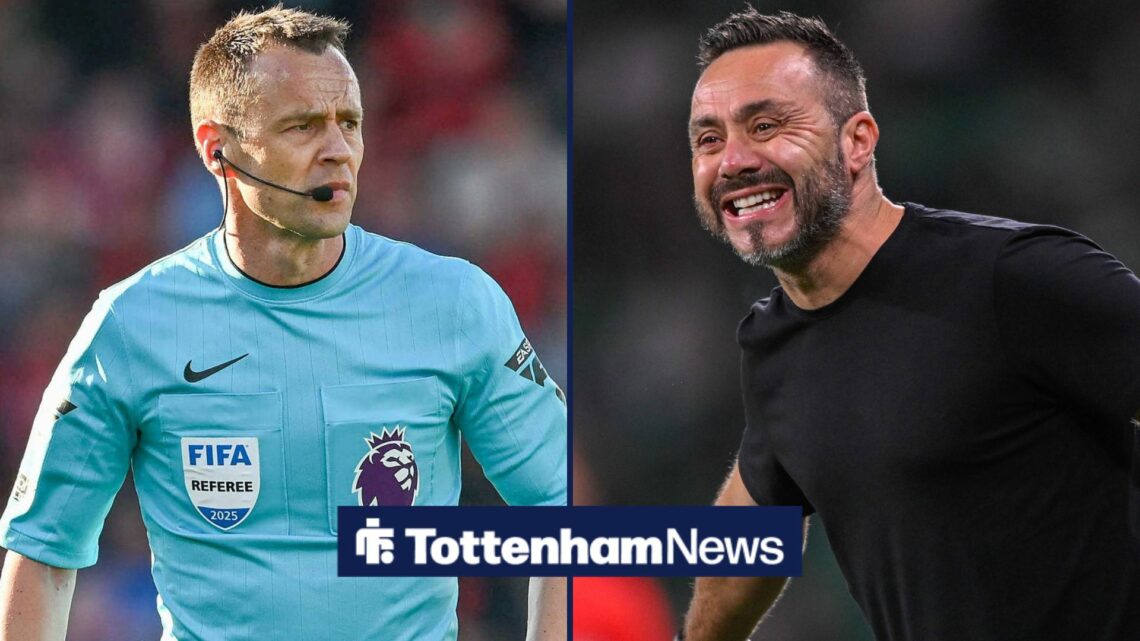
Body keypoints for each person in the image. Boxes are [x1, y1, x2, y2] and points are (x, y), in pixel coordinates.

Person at [0, 7, 566, 641]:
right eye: (302, 127)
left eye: (349, 123)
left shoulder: (456, 304)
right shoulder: (130, 325)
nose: (339, 152)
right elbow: (43, 556)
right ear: (218, 151)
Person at [679, 8, 1140, 641]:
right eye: (708, 140)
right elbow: (747, 539)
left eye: (766, 125)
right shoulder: (774, 345)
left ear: (857, 141)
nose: (732, 161)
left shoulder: (1014, 278)